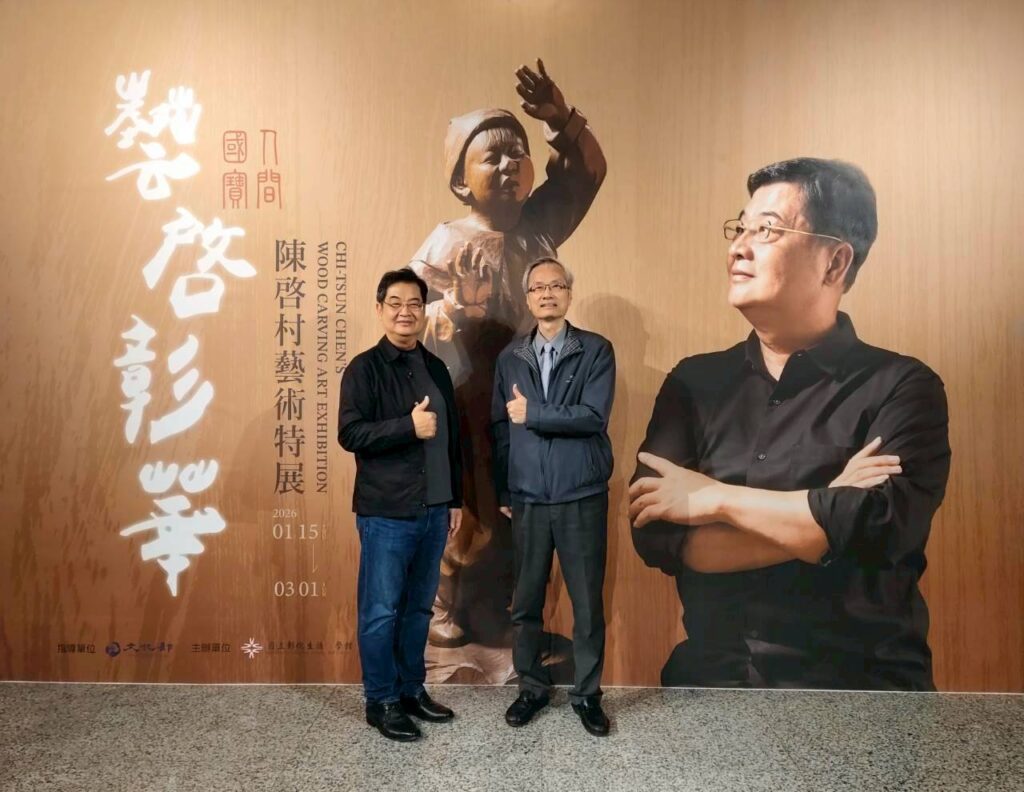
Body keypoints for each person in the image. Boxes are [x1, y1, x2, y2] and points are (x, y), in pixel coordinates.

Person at [629, 158, 951, 690]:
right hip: (712, 686)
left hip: (859, 693)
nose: (739, 247)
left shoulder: (903, 386)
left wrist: (713, 498)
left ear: (835, 262)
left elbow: (877, 528)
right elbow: (656, 535)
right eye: (740, 228)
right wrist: (823, 515)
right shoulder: (693, 383)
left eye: (767, 229)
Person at [408, 59, 607, 671]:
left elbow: (586, 174)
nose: (508, 164)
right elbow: (410, 318)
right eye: (490, 156)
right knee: (471, 502)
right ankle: (441, 602)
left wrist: (561, 120)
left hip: (530, 390)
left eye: (517, 153)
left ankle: (509, 613)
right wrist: (451, 309)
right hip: (468, 394)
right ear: (460, 180)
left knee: (522, 501)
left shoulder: (539, 224)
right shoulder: (447, 241)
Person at [337, 268, 464, 741]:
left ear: (424, 310)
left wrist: (455, 499)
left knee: (418, 610)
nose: (405, 312)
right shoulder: (364, 369)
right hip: (386, 512)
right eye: (395, 303)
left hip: (435, 510)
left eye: (414, 303)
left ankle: (411, 690)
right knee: (381, 611)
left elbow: (452, 440)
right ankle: (382, 700)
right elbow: (350, 434)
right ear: (379, 309)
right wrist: (407, 427)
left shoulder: (436, 368)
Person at [492, 257, 616, 735]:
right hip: (527, 497)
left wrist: (536, 414)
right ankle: (531, 688)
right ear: (527, 298)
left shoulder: (596, 350)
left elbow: (593, 416)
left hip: (580, 493)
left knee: (586, 603)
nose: (547, 294)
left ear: (569, 293)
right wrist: (505, 487)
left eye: (556, 286)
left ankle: (586, 696)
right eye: (538, 288)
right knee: (525, 602)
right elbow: (501, 428)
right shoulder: (510, 358)